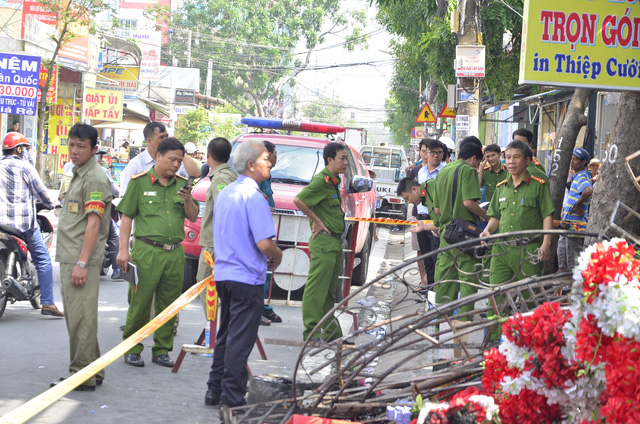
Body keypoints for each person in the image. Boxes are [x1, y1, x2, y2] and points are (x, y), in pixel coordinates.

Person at [205, 140, 282, 408]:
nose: (269, 162)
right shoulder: (253, 196)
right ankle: (231, 397)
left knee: (226, 334)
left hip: (225, 274)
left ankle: (215, 389)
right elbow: (264, 244)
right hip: (246, 277)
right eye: (265, 158)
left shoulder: (227, 192)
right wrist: (278, 254)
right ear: (251, 165)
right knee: (240, 339)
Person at [116, 138, 199, 368]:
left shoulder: (183, 185)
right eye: (172, 159)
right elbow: (126, 217)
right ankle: (133, 348)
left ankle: (162, 350)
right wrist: (123, 250)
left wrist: (188, 199)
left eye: (179, 160)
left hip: (174, 253)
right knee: (140, 302)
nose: (175, 165)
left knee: (169, 303)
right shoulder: (140, 183)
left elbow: (192, 216)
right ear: (158, 156)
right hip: (146, 251)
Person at [52, 123, 113, 391]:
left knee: (80, 319)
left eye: (81, 146)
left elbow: (93, 224)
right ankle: (92, 371)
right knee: (79, 318)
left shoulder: (95, 178)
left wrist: (81, 263)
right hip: (71, 256)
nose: (74, 151)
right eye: (71, 144)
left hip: (80, 259)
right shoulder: (78, 174)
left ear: (94, 149)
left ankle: (81, 374)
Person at [479, 140, 555, 336]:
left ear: (528, 160)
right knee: (496, 299)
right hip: (502, 252)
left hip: (529, 251)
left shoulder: (539, 185)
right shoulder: (501, 187)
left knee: (530, 299)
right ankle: (495, 345)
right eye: (508, 157)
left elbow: (548, 215)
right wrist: (487, 230)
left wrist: (546, 244)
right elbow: (495, 216)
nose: (511, 162)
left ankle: (530, 346)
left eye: (516, 157)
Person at [0, 132, 62, 317]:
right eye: (25, 148)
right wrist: (51, 204)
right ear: (19, 149)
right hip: (23, 226)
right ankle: (48, 303)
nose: (26, 152)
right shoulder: (26, 167)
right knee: (43, 260)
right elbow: (42, 193)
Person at [293, 142, 348, 342]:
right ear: (330, 160)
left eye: (346, 159)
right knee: (316, 291)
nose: (346, 163)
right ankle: (311, 334)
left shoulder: (332, 181)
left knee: (327, 294)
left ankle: (333, 334)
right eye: (342, 158)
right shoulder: (322, 181)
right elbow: (299, 201)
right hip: (324, 243)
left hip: (333, 243)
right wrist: (316, 221)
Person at [432, 142, 488, 319]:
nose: (477, 167)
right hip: (464, 236)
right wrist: (486, 216)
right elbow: (468, 203)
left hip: (446, 234)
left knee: (444, 281)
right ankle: (463, 326)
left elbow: (438, 210)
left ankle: (440, 324)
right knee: (468, 280)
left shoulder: (443, 172)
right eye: (478, 163)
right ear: (473, 159)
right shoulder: (468, 171)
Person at [196, 137, 237, 318]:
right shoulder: (231, 175)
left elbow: (225, 209)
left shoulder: (220, 178)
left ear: (208, 155)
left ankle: (213, 327)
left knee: (205, 284)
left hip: (215, 243)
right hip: (221, 242)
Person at [119, 122, 200, 194]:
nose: (165, 140)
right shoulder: (136, 164)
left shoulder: (176, 161)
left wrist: (179, 148)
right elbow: (125, 196)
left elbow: (195, 174)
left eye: (167, 137)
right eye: (161, 138)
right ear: (149, 140)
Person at [415, 139, 446, 290]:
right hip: (422, 219)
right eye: (432, 152)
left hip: (436, 219)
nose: (436, 156)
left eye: (439, 153)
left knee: (437, 255)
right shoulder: (421, 172)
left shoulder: (445, 171)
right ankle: (429, 287)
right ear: (426, 154)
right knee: (425, 255)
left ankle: (438, 289)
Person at [557, 147, 593, 272]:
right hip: (569, 227)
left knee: (574, 267)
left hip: (575, 229)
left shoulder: (581, 176)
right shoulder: (577, 176)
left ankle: (575, 291)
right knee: (564, 264)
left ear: (583, 162)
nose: (572, 162)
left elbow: (588, 190)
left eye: (575, 160)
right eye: (571, 159)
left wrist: (577, 205)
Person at [258, 140, 282, 325]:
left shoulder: (267, 175)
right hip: (259, 235)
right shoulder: (258, 177)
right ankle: (258, 309)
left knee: (265, 272)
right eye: (274, 153)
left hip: (266, 229)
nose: (275, 157)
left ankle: (262, 308)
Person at [407, 139, 431, 287]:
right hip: (418, 215)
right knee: (420, 250)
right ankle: (423, 280)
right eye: (423, 151)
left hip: (434, 216)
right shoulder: (415, 171)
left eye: (429, 151)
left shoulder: (441, 171)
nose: (426, 154)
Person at [96, 147, 122, 280]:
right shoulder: (102, 171)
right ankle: (117, 269)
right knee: (113, 236)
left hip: (77, 213)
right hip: (99, 211)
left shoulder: (74, 169)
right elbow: (116, 191)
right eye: (100, 156)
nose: (102, 159)